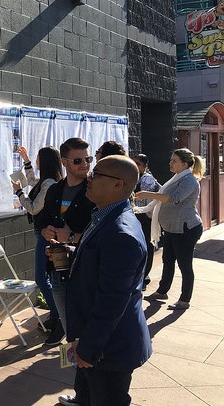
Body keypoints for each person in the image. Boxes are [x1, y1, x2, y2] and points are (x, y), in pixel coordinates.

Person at [62, 155, 152, 406]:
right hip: (97, 340)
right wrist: (70, 252)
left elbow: (112, 300)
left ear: (118, 185)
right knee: (89, 395)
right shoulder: (105, 216)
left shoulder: (121, 232)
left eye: (97, 174)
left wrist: (88, 348)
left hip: (108, 347)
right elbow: (103, 263)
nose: (88, 177)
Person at [35, 137, 95, 347]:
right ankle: (77, 369)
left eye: (88, 159)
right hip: (59, 266)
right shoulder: (54, 190)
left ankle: (88, 368)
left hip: (87, 269)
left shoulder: (95, 191)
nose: (85, 164)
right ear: (64, 162)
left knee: (89, 326)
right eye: (78, 161)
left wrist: (72, 237)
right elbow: (40, 220)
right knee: (70, 330)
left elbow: (103, 232)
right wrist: (44, 230)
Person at [136, 148, 204, 310]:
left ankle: (184, 299)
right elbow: (160, 199)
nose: (170, 163)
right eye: (171, 159)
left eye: (174, 161)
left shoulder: (189, 180)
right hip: (172, 228)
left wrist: (148, 194)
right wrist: (140, 208)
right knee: (168, 261)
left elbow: (173, 198)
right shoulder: (177, 177)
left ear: (185, 164)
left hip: (186, 228)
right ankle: (162, 291)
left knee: (184, 265)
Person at [11, 146, 63, 332]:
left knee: (41, 278)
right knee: (47, 277)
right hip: (44, 233)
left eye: (38, 158)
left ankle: (58, 316)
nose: (36, 160)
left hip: (45, 235)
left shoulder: (50, 184)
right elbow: (33, 181)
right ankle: (56, 315)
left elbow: (33, 208)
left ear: (46, 161)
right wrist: (26, 161)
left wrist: (18, 192)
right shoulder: (47, 181)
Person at [131, 154, 161, 290]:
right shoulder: (132, 176)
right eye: (133, 163)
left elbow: (145, 203)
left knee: (146, 248)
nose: (135, 166)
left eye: (138, 164)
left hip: (145, 217)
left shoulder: (147, 180)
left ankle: (143, 277)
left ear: (145, 166)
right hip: (135, 216)